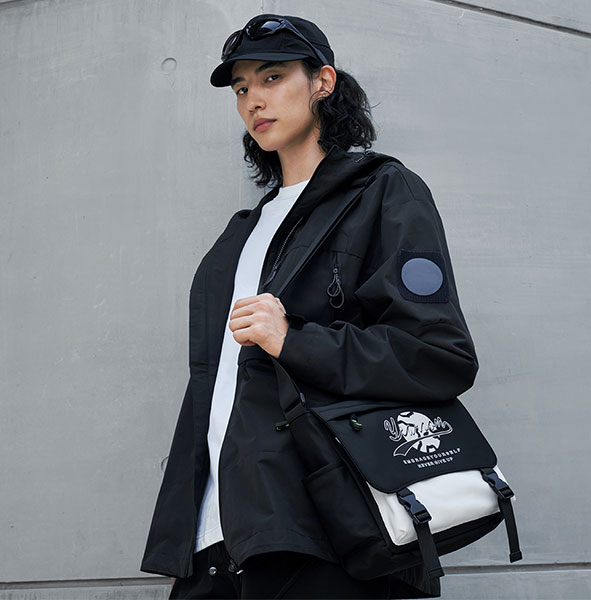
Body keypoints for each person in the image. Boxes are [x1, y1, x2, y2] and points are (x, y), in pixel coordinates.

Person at [141, 14, 479, 599]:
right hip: (219, 542)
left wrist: (293, 340)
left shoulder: (383, 192)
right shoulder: (241, 235)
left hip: (325, 534)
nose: (253, 100)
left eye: (272, 77)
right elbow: (213, 392)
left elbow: (436, 354)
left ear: (322, 82)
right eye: (241, 88)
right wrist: (185, 531)